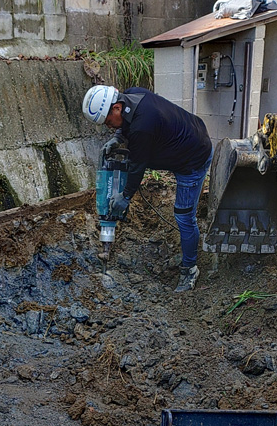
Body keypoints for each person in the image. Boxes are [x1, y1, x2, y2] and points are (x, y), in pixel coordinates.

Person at [82, 84, 213, 292]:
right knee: (182, 215)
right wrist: (118, 137)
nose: (109, 126)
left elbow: (137, 167)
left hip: (194, 156)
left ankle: (189, 270)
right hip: (185, 138)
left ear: (116, 107)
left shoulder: (142, 127)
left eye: (108, 122)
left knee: (184, 216)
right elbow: (126, 126)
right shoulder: (132, 94)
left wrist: (125, 196)